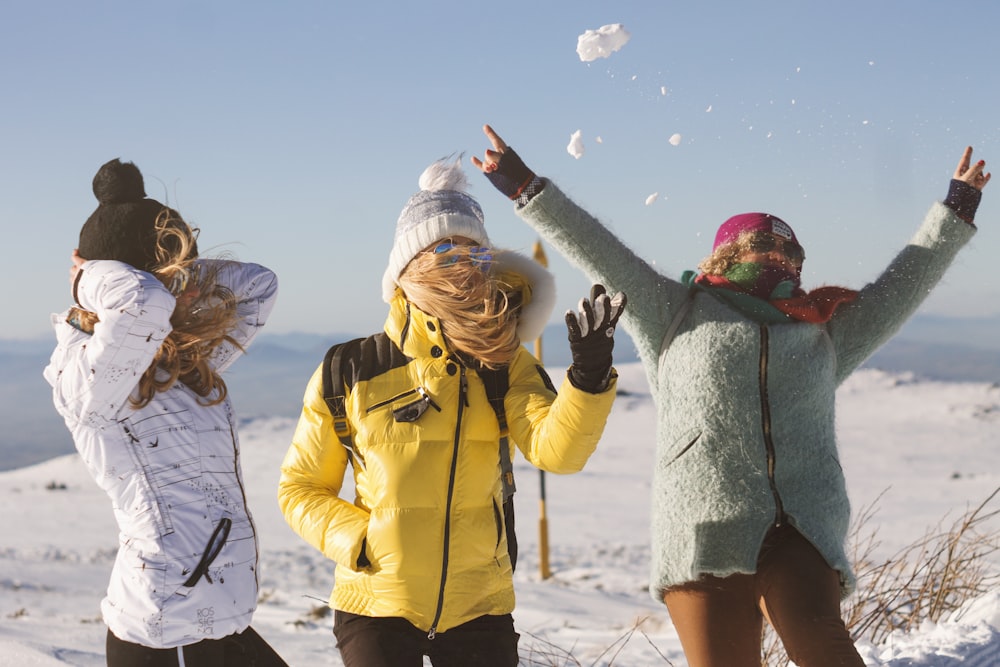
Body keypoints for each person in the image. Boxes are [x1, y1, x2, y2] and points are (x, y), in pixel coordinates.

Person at [473, 125, 990, 667]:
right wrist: (524, 186)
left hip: (800, 526)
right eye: (763, 249)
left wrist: (955, 211)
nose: (781, 262)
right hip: (701, 531)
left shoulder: (822, 331)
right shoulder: (672, 310)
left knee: (827, 652)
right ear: (725, 255)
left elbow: (899, 290)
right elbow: (601, 253)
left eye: (791, 253)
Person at [277, 157, 626, 667]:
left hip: (478, 607)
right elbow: (300, 487)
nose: (462, 264)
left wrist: (588, 379)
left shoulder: (504, 362)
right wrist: (360, 540)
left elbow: (558, 451)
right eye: (444, 248)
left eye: (475, 253)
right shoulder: (351, 367)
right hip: (376, 604)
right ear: (409, 265)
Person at [44, 159, 285, 666]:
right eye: (176, 278)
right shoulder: (92, 380)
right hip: (160, 628)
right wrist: (87, 275)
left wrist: (183, 270)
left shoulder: (189, 363)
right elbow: (140, 301)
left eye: (190, 274)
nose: (194, 290)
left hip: (223, 617)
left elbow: (260, 284)